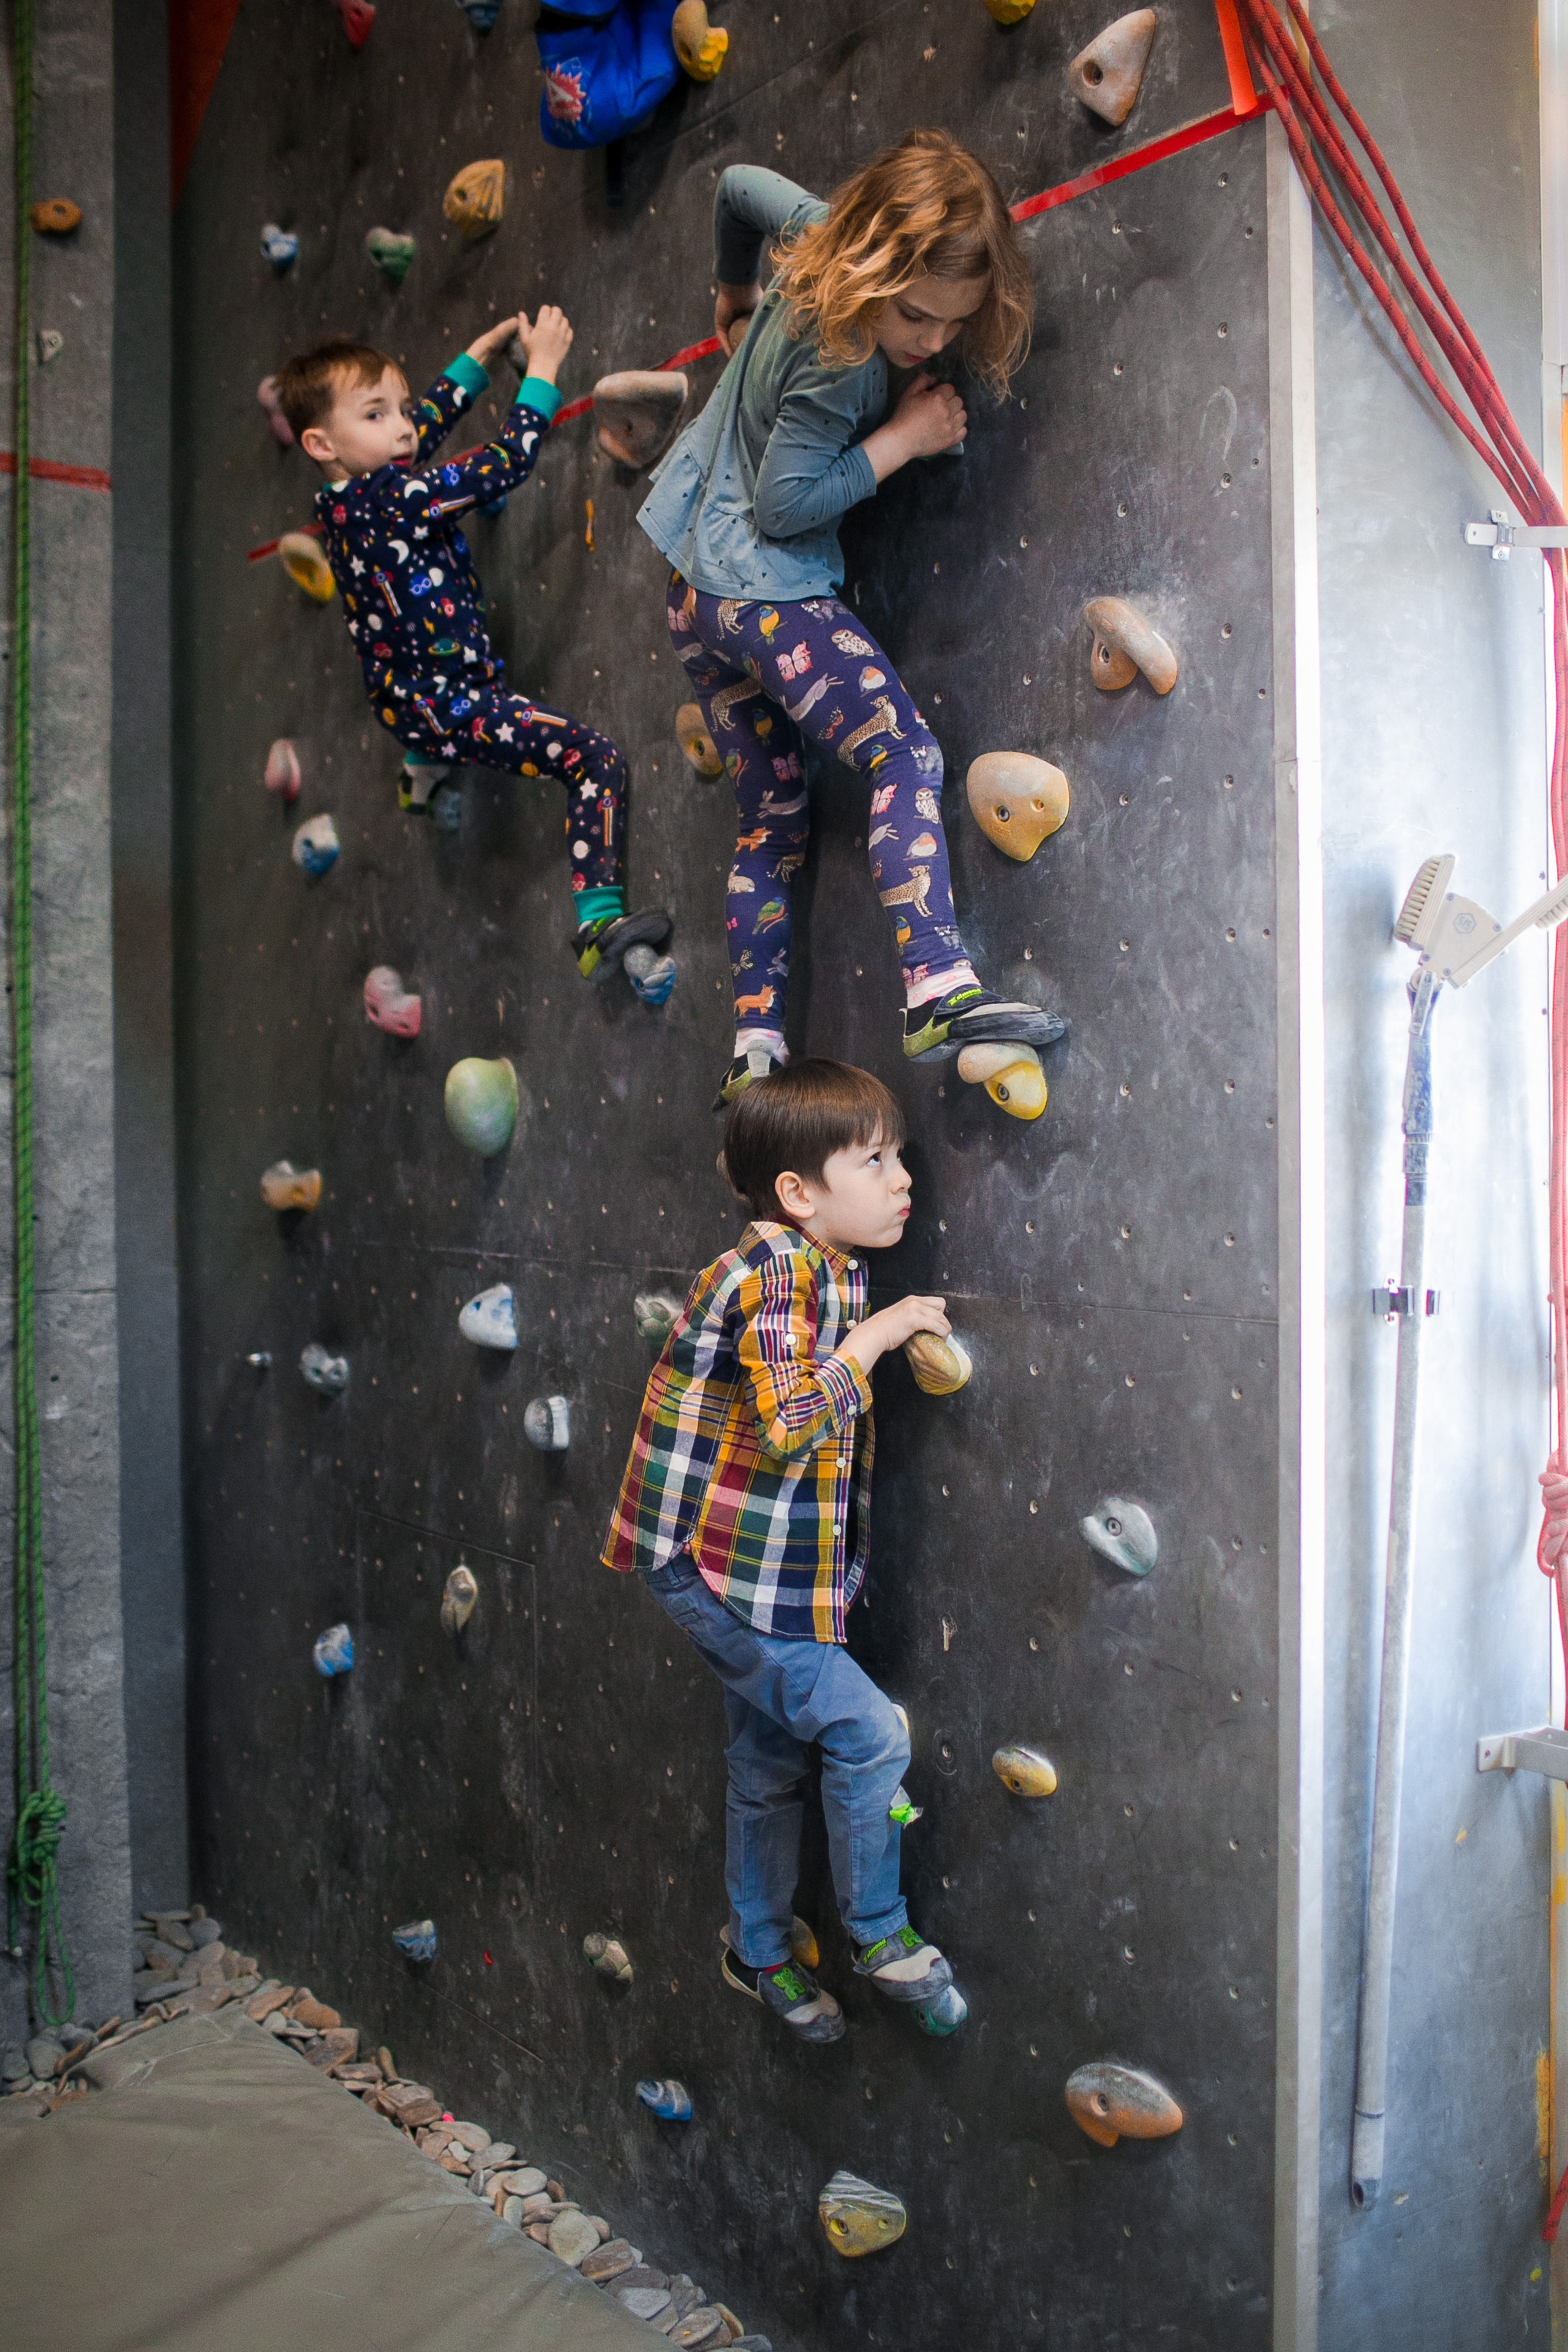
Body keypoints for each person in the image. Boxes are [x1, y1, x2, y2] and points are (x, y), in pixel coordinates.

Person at [639, 130, 1063, 1102]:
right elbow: (790, 505)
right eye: (914, 313)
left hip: (693, 594)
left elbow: (738, 182)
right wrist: (905, 438)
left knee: (772, 817)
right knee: (902, 754)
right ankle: (936, 984)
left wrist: (734, 290)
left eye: (953, 325)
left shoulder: (815, 232)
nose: (928, 340)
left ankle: (756, 1050)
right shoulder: (843, 363)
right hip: (763, 592)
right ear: (871, 257)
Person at [601, 1060, 962, 2043]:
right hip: (716, 1571)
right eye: (875, 1160)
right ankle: (879, 1936)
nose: (902, 1181)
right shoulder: (778, 1274)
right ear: (800, 1194)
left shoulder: (812, 1265)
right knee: (871, 1736)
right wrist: (884, 1334)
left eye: (897, 1158)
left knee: (766, 1763)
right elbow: (795, 1424)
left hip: (745, 1571)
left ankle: (757, 1953)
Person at [274, 315, 671, 995]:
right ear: (319, 442)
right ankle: (598, 922)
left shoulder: (341, 498)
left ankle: (422, 773)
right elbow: (506, 462)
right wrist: (542, 367)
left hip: (401, 700)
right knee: (593, 759)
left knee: (425, 716)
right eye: (377, 413)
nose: (402, 426)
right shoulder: (400, 500)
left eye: (400, 408)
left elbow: (415, 432)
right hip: (457, 706)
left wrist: (475, 362)